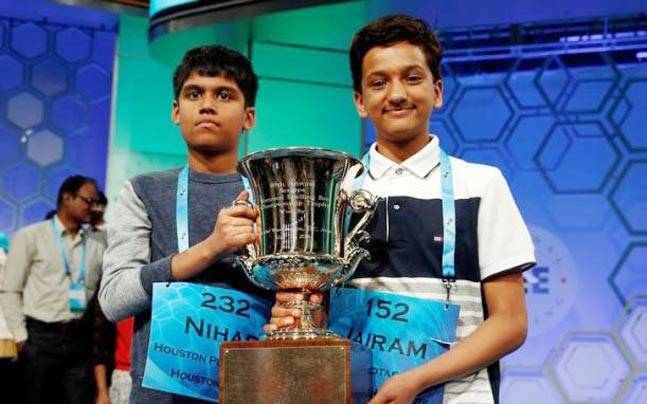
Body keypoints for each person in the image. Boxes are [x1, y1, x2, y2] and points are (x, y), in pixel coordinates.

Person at [265, 14, 535, 404]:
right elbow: (319, 311)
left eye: (412, 78)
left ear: (437, 91)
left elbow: (511, 322)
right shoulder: (333, 193)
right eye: (379, 82)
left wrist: (418, 379)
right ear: (360, 101)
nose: (396, 94)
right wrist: (301, 317)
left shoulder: (482, 184)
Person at [99, 45, 271, 403]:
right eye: (195, 94)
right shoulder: (144, 191)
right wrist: (210, 248)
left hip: (249, 389)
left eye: (224, 95)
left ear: (249, 117)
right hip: (160, 395)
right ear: (177, 111)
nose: (207, 105)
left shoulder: (272, 194)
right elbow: (113, 299)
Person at [0, 175, 106, 404]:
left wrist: (100, 221)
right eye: (88, 200)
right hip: (39, 338)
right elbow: (10, 290)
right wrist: (20, 337)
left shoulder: (98, 242)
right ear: (66, 198)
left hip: (79, 340)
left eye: (96, 202)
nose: (93, 207)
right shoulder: (31, 236)